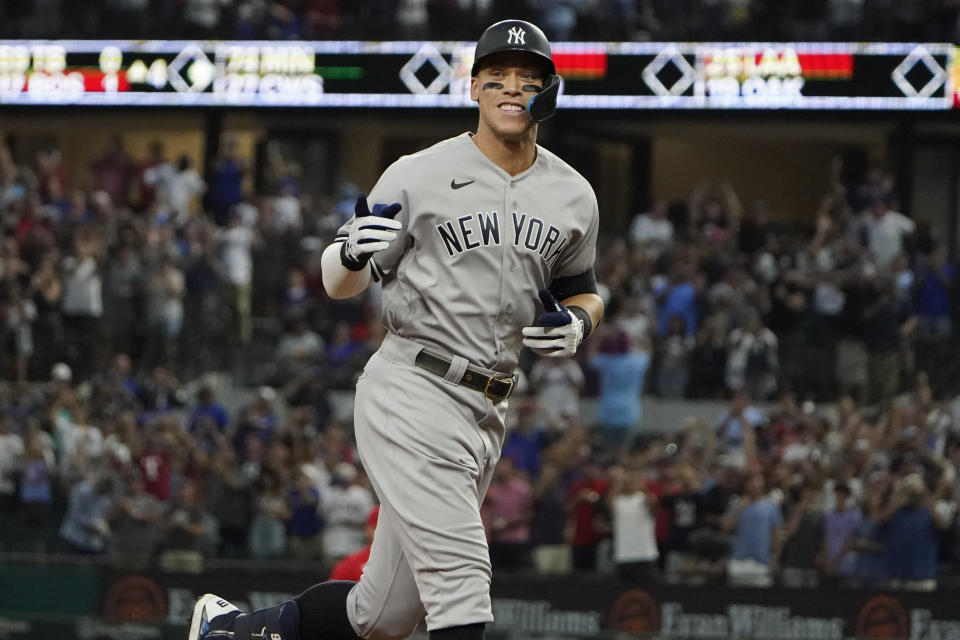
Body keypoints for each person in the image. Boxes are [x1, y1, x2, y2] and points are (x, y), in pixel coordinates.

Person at [189, 18, 603, 640]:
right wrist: (353, 252)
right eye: (497, 78)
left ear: (549, 89)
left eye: (527, 78)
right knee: (463, 582)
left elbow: (583, 288)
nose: (511, 89)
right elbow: (338, 279)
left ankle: (233, 632)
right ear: (476, 89)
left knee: (383, 615)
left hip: (487, 407)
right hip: (414, 385)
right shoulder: (419, 172)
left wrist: (578, 321)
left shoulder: (574, 194)